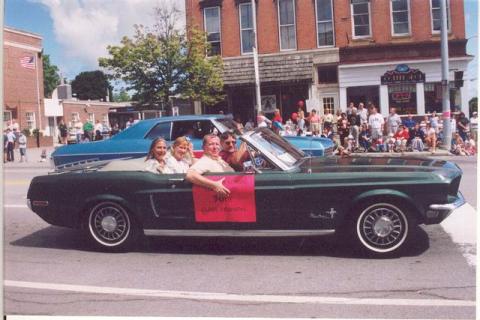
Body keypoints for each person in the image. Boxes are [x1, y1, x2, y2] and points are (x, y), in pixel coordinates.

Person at [186, 134, 234, 200]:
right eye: (211, 144)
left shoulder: (220, 161)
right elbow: (190, 175)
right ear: (203, 147)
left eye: (217, 144)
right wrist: (215, 185)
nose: (215, 147)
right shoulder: (205, 161)